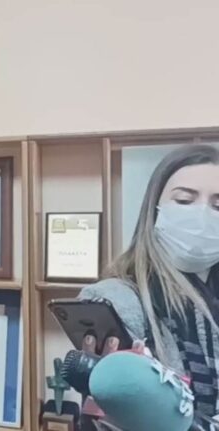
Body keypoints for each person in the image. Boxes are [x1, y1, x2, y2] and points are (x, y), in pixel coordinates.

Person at [79, 144, 219, 428]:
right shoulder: (116, 301)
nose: (202, 215)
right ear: (154, 210)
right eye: (184, 200)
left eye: (218, 206)